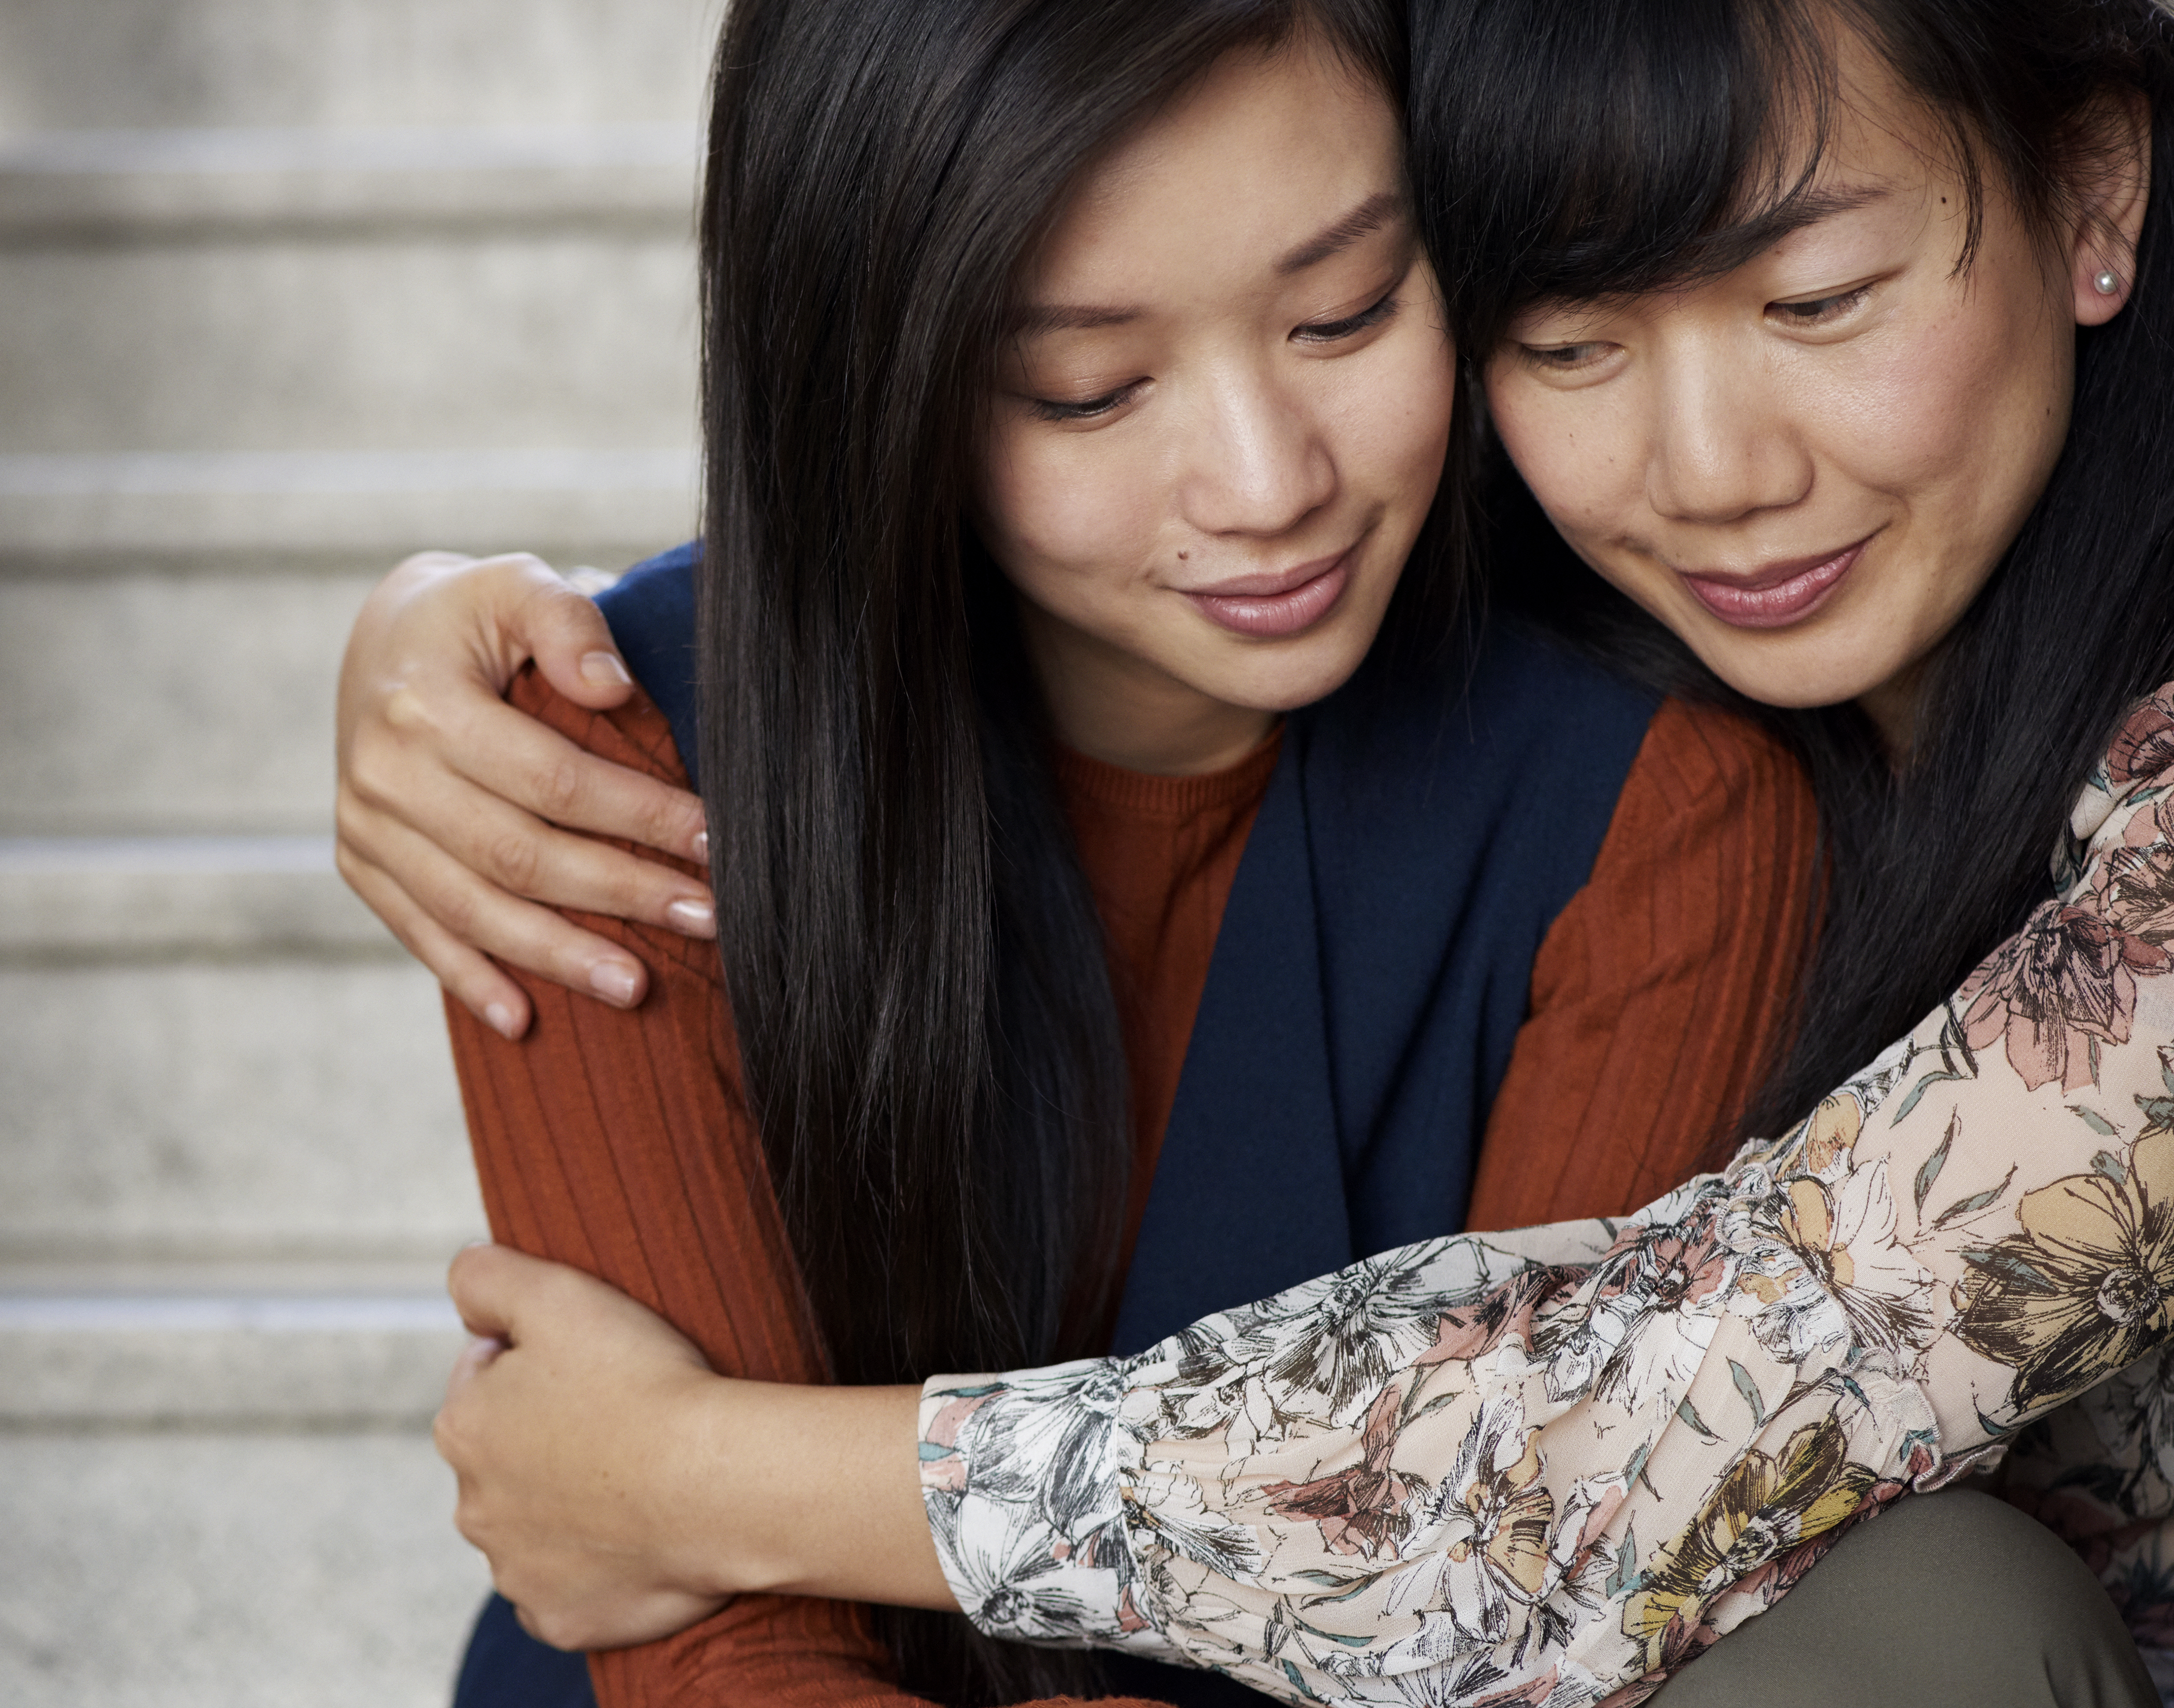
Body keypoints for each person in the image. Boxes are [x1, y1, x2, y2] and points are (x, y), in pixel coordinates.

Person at [388, 0, 2174, 1700]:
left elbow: (1615, 1446)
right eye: (1565, 340)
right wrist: (426, 634)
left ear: (2098, 187)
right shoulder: (612, 759)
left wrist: (684, 1472)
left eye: (1816, 295)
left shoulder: (1666, 778)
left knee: (1926, 1614)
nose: (1702, 470)